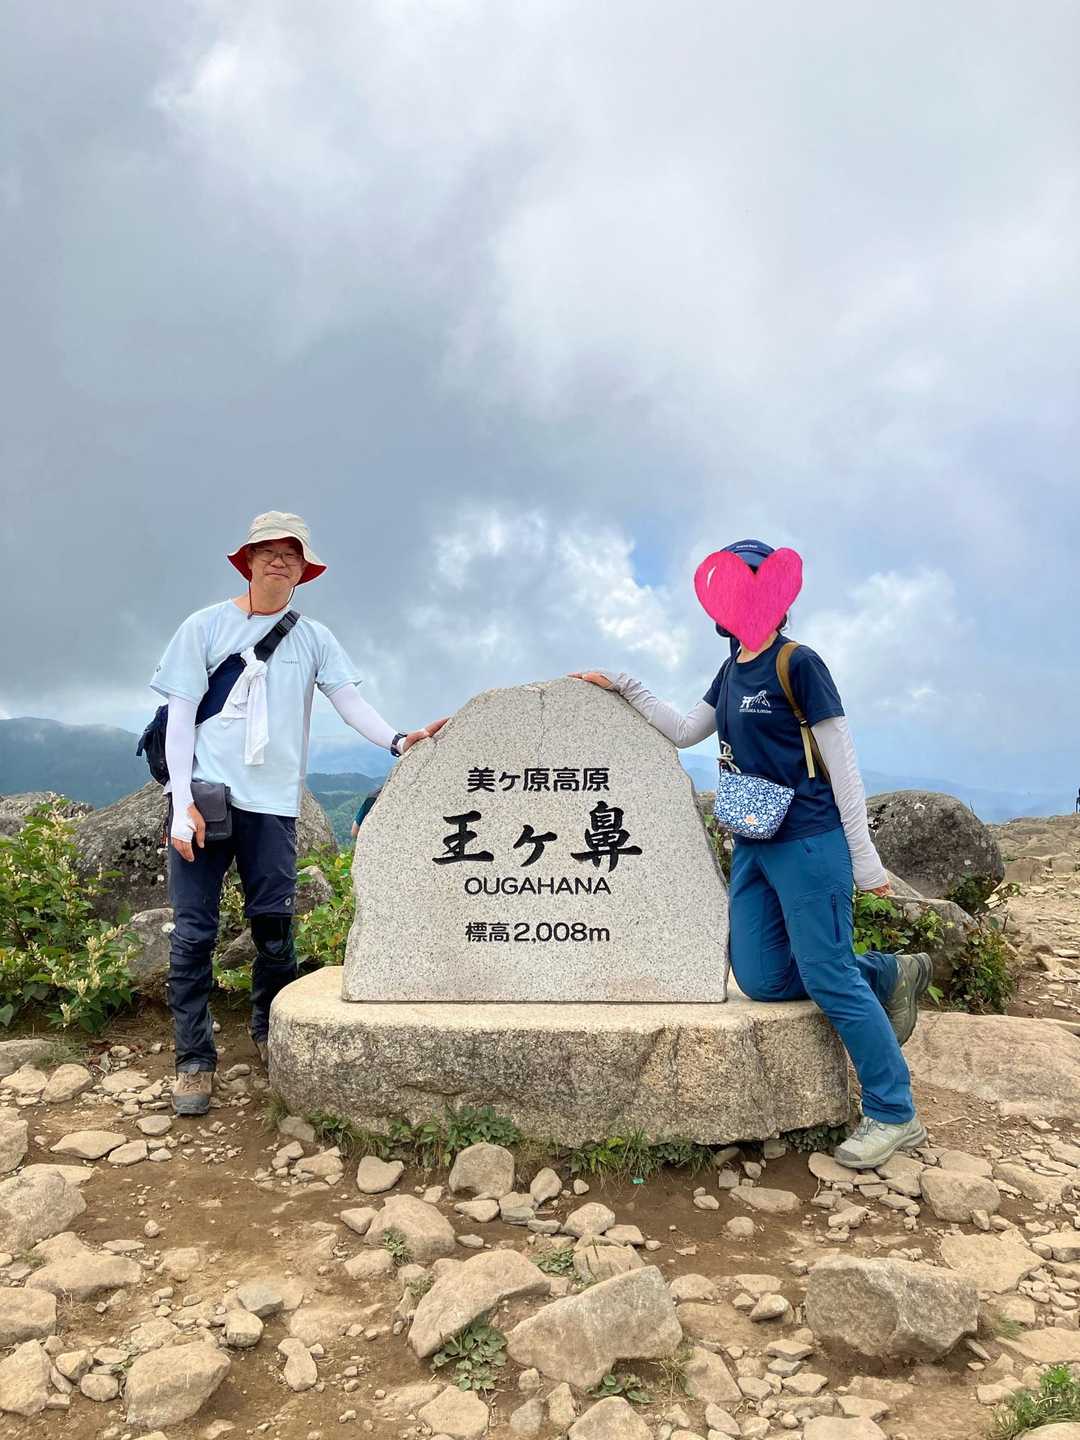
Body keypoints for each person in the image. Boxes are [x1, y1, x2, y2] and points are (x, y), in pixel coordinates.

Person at [572, 537, 930, 1170]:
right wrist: (623, 684)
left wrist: (866, 861)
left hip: (808, 840)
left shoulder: (799, 664)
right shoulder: (733, 666)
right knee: (762, 979)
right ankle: (885, 974)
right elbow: (686, 730)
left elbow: (844, 768)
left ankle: (893, 1111)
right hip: (753, 841)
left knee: (828, 976)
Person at [151, 511, 447, 1116]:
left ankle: (271, 1033)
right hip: (205, 800)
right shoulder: (204, 627)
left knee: (274, 933)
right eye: (268, 549)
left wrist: (397, 740)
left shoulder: (314, 638)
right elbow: (180, 719)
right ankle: (193, 1059)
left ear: (303, 569)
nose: (279, 559)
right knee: (193, 935)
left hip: (274, 805)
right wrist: (180, 804)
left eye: (291, 552)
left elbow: (349, 700)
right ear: (247, 560)